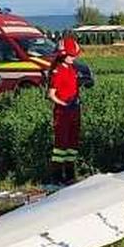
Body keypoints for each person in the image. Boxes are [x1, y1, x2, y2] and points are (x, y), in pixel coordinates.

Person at [47, 37, 83, 185]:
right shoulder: (58, 71)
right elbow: (51, 94)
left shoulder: (72, 69)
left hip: (74, 110)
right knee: (60, 146)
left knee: (72, 144)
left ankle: (70, 174)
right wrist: (63, 104)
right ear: (63, 54)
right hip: (63, 112)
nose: (73, 58)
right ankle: (57, 176)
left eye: (75, 55)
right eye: (71, 55)